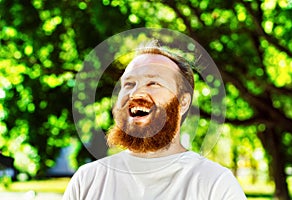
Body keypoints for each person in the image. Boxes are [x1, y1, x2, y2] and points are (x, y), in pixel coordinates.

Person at [63, 40, 247, 200]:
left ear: (183, 102)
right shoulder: (87, 181)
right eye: (128, 84)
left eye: (153, 83)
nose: (135, 93)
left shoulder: (215, 184)